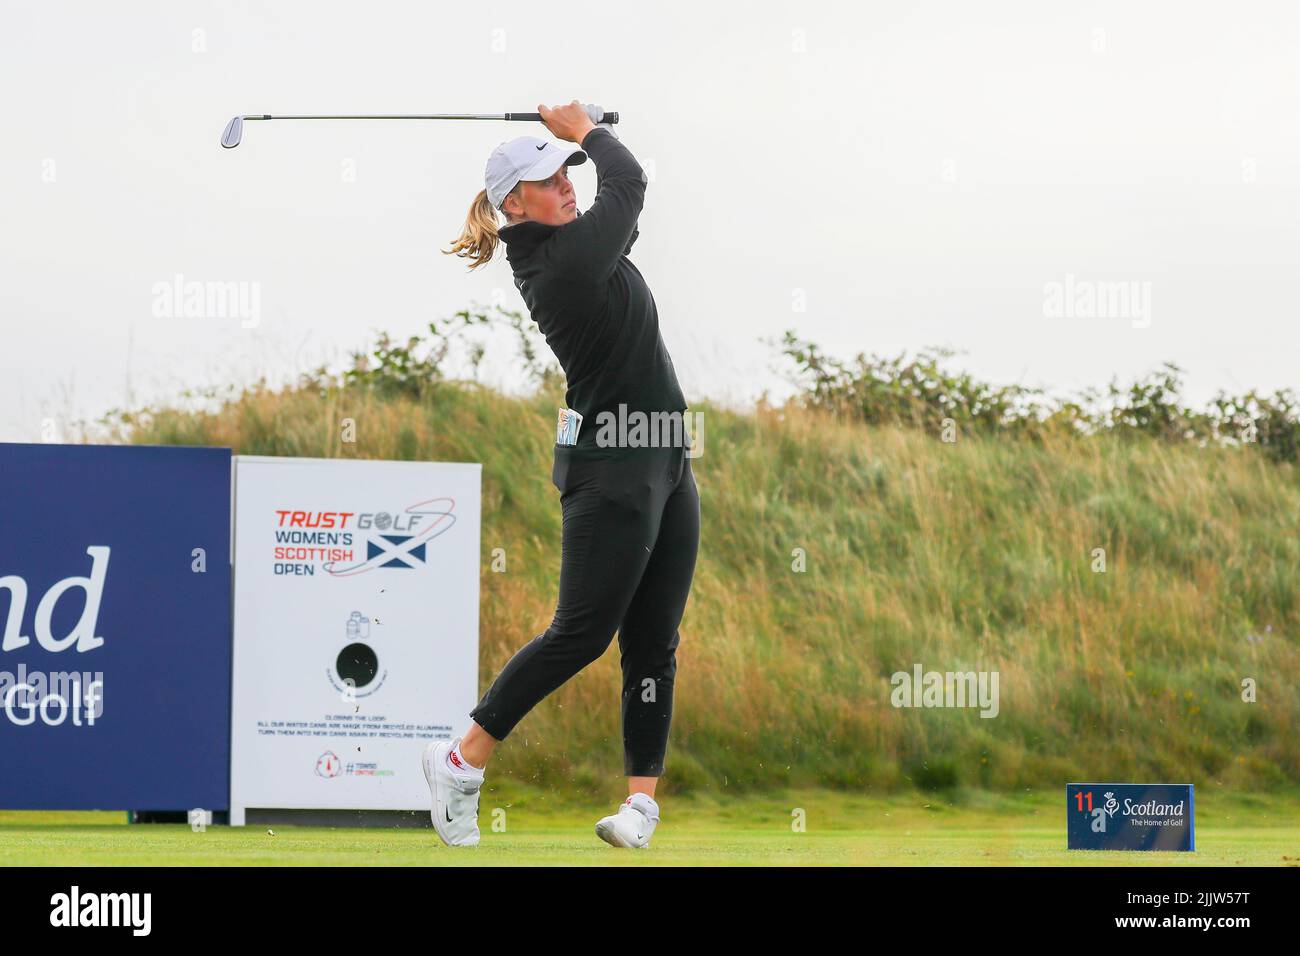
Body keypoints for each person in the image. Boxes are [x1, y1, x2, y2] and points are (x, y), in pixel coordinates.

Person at [423, 100, 700, 849]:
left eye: (567, 173)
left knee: (654, 641)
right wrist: (586, 131)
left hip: (666, 457)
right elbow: (631, 179)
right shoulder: (561, 262)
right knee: (581, 633)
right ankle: (460, 759)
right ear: (516, 203)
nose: (567, 184)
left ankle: (639, 807)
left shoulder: (578, 246)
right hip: (612, 468)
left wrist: (584, 142)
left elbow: (621, 201)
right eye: (550, 179)